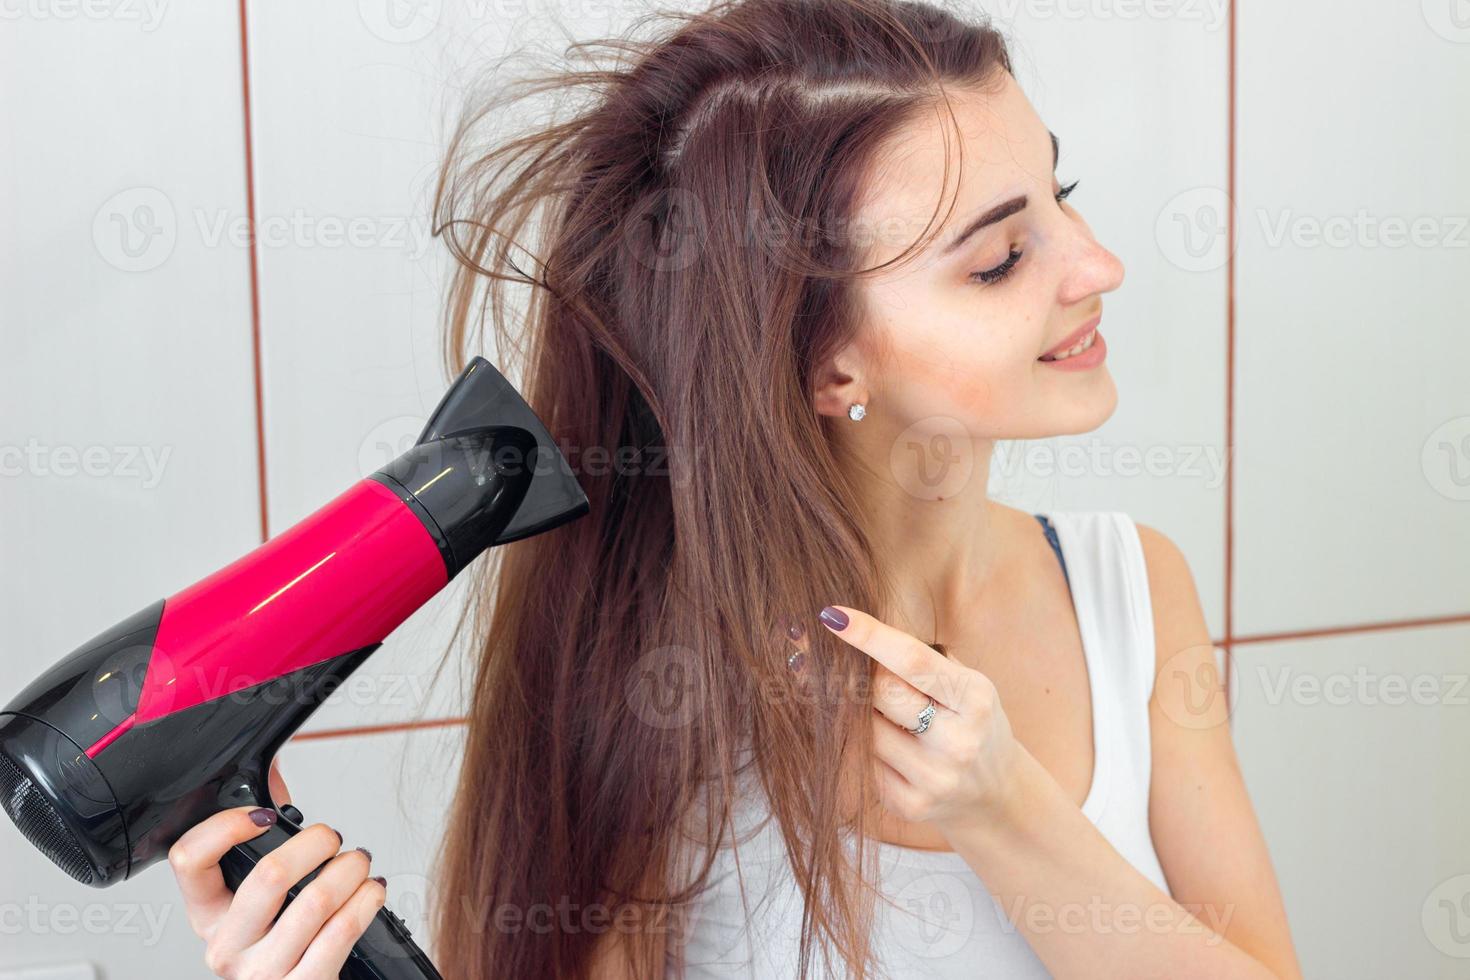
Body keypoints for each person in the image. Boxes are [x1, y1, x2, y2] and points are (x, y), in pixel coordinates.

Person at [169, 1, 1304, 976]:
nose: (1097, 265)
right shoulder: (657, 682)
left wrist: (1004, 809)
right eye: (1001, 257)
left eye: (1060, 193)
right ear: (825, 363)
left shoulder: (1129, 588)